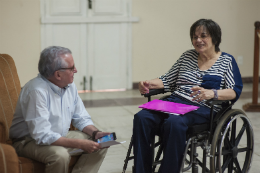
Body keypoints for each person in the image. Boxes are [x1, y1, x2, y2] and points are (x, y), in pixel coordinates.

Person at [133, 19, 243, 173]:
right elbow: (167, 80)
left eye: (203, 36)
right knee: (142, 117)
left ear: (215, 38)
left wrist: (212, 93)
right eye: (195, 36)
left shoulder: (226, 61)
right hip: (175, 102)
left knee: (174, 122)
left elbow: (234, 91)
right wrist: (147, 83)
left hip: (203, 108)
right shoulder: (187, 56)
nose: (198, 40)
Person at [9, 46, 110, 173]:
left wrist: (96, 133)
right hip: (28, 141)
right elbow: (42, 135)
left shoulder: (69, 85)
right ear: (58, 74)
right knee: (60, 155)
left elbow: (81, 117)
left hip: (58, 135)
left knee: (101, 143)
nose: (76, 70)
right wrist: (79, 144)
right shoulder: (36, 91)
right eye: (72, 68)